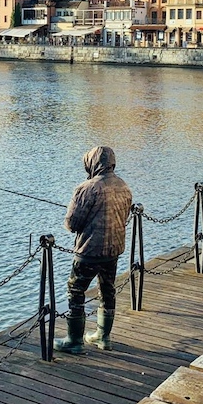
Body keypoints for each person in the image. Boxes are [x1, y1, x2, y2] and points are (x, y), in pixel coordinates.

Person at [54, 145, 132, 355]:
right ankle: (103, 337)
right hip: (113, 250)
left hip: (89, 251)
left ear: (93, 163)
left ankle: (74, 340)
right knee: (107, 290)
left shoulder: (87, 188)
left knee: (76, 291)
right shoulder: (124, 186)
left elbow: (72, 224)